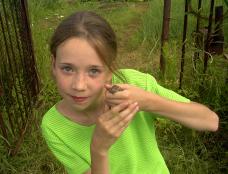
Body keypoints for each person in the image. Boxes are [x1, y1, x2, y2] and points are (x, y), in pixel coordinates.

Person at [41, 11, 219, 174]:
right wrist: (98, 149)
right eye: (67, 69)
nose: (79, 85)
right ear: (54, 65)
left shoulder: (134, 84)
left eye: (94, 71)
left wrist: (147, 101)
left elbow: (210, 121)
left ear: (110, 70)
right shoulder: (53, 125)